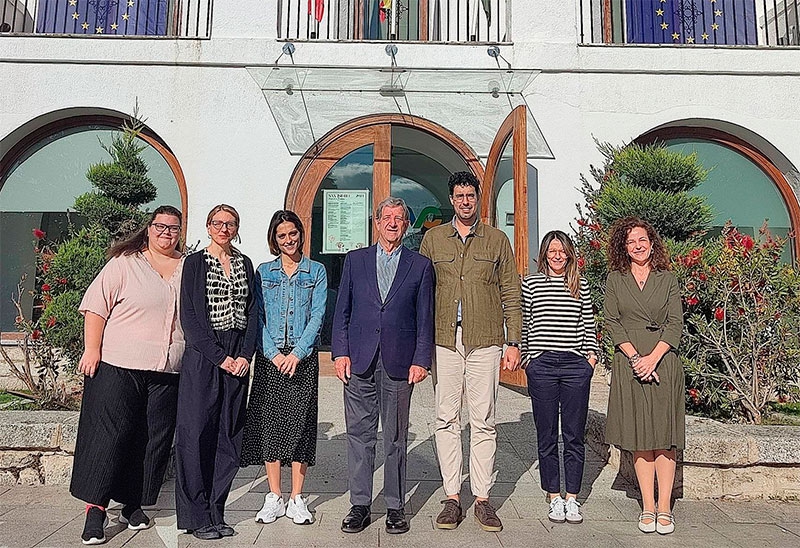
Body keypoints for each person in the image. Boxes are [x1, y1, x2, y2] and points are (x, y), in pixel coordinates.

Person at [71, 205, 185, 545]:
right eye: (161, 227)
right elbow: (95, 307)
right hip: (118, 365)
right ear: (149, 229)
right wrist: (91, 350)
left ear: (180, 232)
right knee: (109, 436)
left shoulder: (187, 267)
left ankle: (131, 504)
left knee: (153, 439)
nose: (167, 233)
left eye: (173, 228)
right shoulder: (125, 263)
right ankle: (95, 510)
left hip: (167, 368)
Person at [419, 171, 522, 532]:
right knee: (446, 418)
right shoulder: (432, 240)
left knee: (484, 419)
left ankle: (481, 498)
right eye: (459, 196)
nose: (465, 201)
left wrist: (513, 341)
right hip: (444, 340)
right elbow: (422, 294)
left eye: (470, 196)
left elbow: (511, 291)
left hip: (486, 340)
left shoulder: (496, 240)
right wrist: (420, 348)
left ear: (478, 199)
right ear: (452, 199)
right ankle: (451, 496)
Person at [331, 196, 434, 535]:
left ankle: (394, 506)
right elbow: (342, 311)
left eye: (399, 218)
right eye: (386, 217)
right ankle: (359, 504)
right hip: (359, 359)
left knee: (395, 437)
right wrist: (339, 352)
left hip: (399, 364)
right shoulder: (354, 260)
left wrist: (421, 360)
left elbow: (425, 319)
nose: (392, 223)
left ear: (407, 225)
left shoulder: (419, 266)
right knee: (359, 436)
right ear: (376, 224)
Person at [175, 204, 259, 541]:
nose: (224, 228)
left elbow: (253, 313)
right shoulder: (195, 263)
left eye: (230, 223)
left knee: (229, 436)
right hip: (204, 356)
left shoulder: (244, 262)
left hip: (237, 356)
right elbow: (190, 316)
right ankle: (195, 516)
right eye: (218, 223)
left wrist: (244, 355)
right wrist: (219, 357)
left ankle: (216, 510)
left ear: (236, 228)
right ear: (208, 227)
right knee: (196, 436)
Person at [240, 210, 327, 525]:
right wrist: (273, 353)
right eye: (282, 236)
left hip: (302, 359)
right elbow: (256, 316)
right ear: (274, 240)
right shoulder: (264, 272)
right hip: (270, 358)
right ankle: (274, 495)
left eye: (292, 233)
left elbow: (318, 314)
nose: (288, 240)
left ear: (300, 234)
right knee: (271, 425)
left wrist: (299, 352)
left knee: (301, 426)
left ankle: (297, 498)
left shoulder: (315, 271)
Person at [604, 216, 684, 535]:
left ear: (652, 243)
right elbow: (611, 320)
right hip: (629, 362)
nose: (637, 246)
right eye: (631, 241)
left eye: (642, 240)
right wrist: (636, 357)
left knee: (664, 438)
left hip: (663, 361)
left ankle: (665, 506)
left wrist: (652, 358)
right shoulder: (616, 278)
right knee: (640, 437)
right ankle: (647, 507)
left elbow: (676, 322)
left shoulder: (667, 278)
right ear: (624, 247)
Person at [521, 231, 599, 525]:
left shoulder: (581, 285)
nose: (557, 255)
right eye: (552, 250)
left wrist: (590, 359)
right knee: (547, 434)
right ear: (544, 254)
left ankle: (572, 498)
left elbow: (588, 323)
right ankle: (554, 496)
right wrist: (529, 360)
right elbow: (525, 323)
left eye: (562, 251)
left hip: (575, 365)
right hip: (542, 365)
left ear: (569, 254)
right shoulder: (531, 283)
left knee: (574, 434)